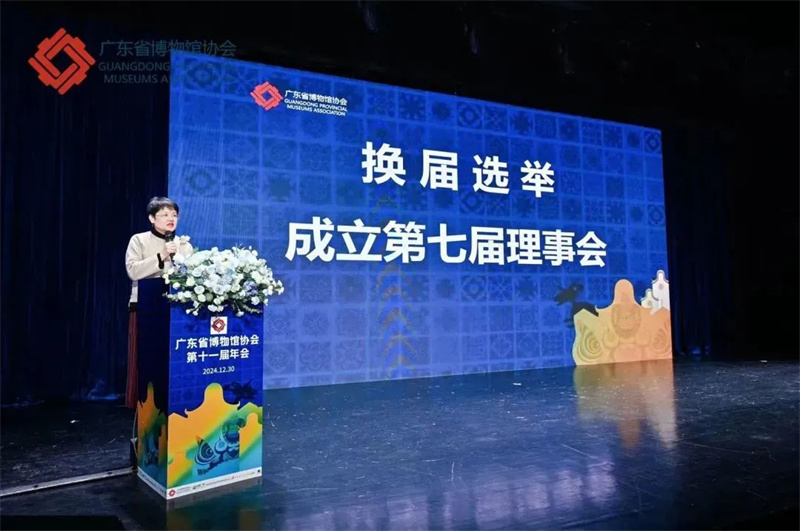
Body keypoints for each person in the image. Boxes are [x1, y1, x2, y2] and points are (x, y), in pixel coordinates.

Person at [124, 197, 193, 409]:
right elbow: (133, 271)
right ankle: (143, 404)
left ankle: (172, 399)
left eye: (174, 215)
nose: (171, 218)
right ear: (152, 218)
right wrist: (162, 255)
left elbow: (190, 276)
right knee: (145, 357)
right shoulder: (139, 240)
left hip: (175, 309)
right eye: (165, 215)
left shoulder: (184, 245)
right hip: (145, 307)